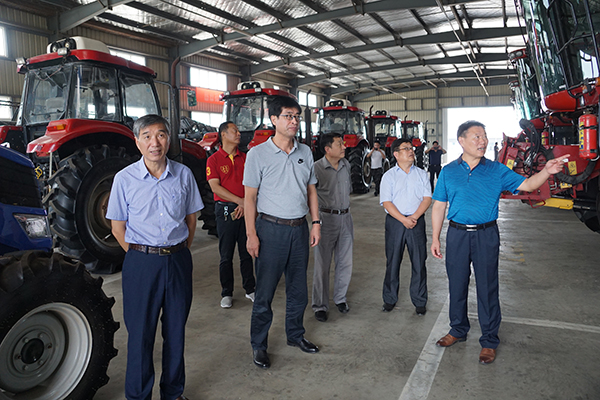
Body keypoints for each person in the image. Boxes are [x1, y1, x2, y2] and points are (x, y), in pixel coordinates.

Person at [431, 120, 567, 365]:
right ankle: (458, 329)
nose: (482, 141)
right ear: (461, 140)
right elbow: (439, 206)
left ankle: (489, 340)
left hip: (486, 235)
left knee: (487, 287)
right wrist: (435, 238)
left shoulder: (497, 170)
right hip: (457, 234)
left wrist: (547, 171)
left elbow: (527, 185)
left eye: (484, 136)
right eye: (476, 136)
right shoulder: (448, 171)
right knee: (457, 284)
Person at [107, 114, 203, 400]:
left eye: (160, 135)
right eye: (147, 136)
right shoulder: (124, 179)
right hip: (141, 263)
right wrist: (141, 256)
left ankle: (173, 392)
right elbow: (117, 227)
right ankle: (139, 395)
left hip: (178, 260)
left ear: (168, 140)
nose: (155, 143)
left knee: (175, 332)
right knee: (140, 334)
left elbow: (191, 220)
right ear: (137, 142)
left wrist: (177, 250)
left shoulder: (183, 175)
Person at [243, 96, 321, 369]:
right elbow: (249, 198)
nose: (294, 121)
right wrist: (251, 234)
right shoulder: (257, 154)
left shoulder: (305, 152)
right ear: (274, 119)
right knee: (265, 293)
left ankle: (295, 335)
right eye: (288, 116)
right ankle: (259, 345)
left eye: (297, 116)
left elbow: (311, 190)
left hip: (299, 230)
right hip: (270, 230)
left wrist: (315, 222)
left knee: (298, 290)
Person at [380, 138, 432, 315]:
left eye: (411, 148)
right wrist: (403, 219)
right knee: (393, 261)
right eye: (406, 148)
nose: (411, 151)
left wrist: (414, 217)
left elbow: (427, 198)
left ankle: (419, 300)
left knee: (419, 261)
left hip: (416, 222)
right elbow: (386, 202)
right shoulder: (389, 176)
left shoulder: (422, 174)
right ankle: (389, 299)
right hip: (395, 222)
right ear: (396, 154)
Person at [207, 121, 256, 309]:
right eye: (234, 131)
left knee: (246, 252)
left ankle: (250, 288)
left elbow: (252, 184)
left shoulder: (246, 158)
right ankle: (226, 292)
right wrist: (240, 201)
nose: (239, 134)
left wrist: (245, 203)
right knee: (226, 255)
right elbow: (215, 187)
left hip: (245, 209)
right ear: (223, 135)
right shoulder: (214, 160)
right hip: (226, 211)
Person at [312, 133, 354, 322]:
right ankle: (320, 305)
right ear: (327, 149)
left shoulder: (346, 165)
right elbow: (310, 196)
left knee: (345, 261)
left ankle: (340, 298)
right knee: (322, 264)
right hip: (326, 218)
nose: (344, 147)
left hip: (346, 217)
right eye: (339, 144)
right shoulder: (317, 169)